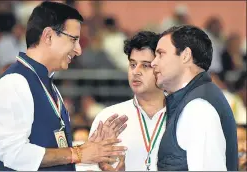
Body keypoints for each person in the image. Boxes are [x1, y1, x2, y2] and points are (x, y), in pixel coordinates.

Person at [0, 2, 128, 171]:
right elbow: (13, 154)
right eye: (73, 40)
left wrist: (91, 149)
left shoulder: (47, 83)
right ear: (48, 36)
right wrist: (77, 153)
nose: (78, 50)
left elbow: (52, 146)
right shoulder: (14, 82)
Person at [151, 25, 238, 170]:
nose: (153, 62)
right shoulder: (193, 101)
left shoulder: (198, 108)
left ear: (185, 55)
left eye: (161, 54)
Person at [86, 31, 166, 171]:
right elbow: (88, 167)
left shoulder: (182, 115)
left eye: (146, 65)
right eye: (132, 64)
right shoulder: (108, 118)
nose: (136, 72)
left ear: (161, 68)